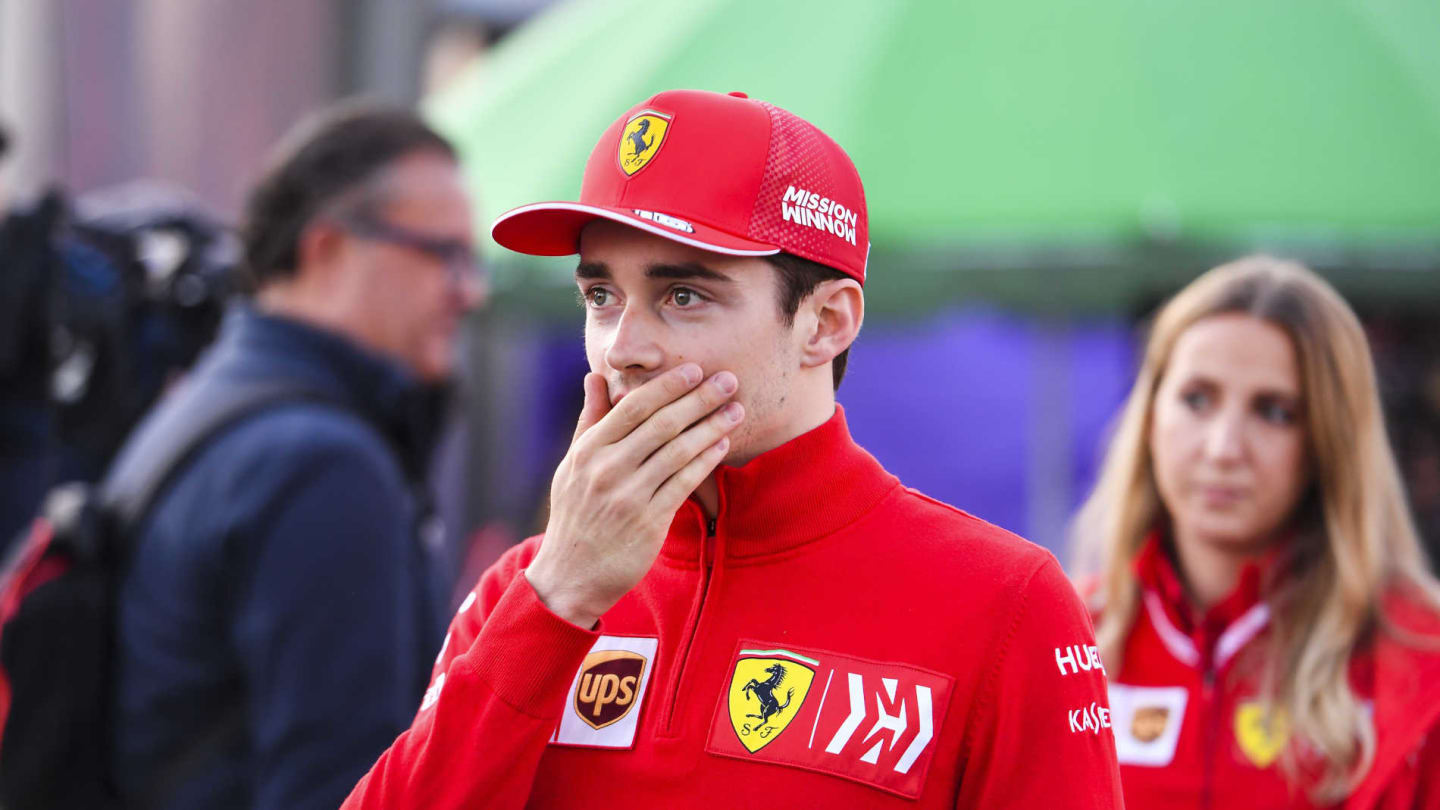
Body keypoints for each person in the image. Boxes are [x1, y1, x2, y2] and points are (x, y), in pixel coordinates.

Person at [344, 89, 1122, 808]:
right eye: (600, 296)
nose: (623, 348)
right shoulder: (528, 588)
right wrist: (558, 602)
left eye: (684, 296)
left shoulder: (1006, 602)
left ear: (825, 323)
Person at [109, 102, 485, 809]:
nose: (471, 292)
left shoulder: (213, 410)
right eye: (445, 256)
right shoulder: (320, 468)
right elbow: (339, 785)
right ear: (329, 248)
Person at [1071, 256, 1440, 808]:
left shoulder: (1420, 657)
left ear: (1328, 443)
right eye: (1197, 399)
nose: (1223, 448)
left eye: (1274, 411)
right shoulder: (1063, 638)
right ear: (1150, 416)